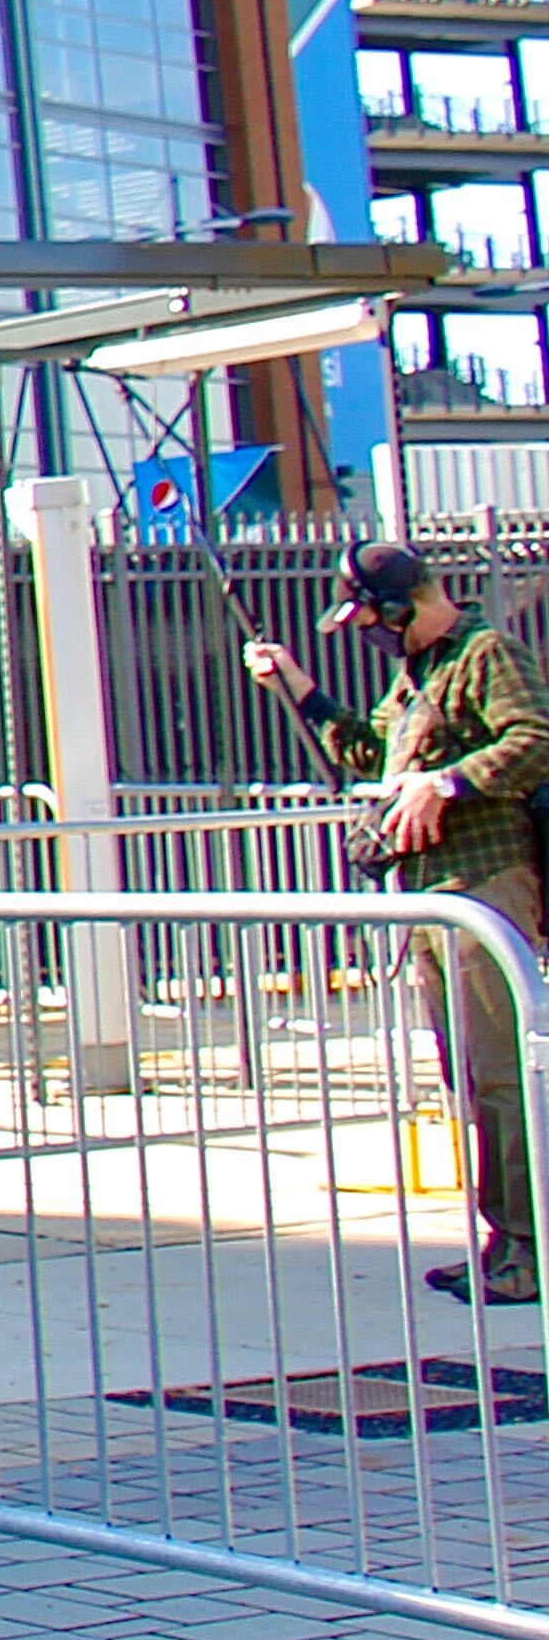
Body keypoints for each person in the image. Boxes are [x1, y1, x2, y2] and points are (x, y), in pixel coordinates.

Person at [250, 541, 549, 1303]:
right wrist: (300, 690)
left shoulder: (486, 653)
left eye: (367, 617)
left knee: (505, 1075)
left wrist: (446, 784)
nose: (365, 633)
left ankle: (528, 1248)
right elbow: (376, 754)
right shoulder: (417, 676)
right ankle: (502, 1238)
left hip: (485, 882)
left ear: (398, 602)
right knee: (469, 1078)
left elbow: (534, 740)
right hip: (433, 892)